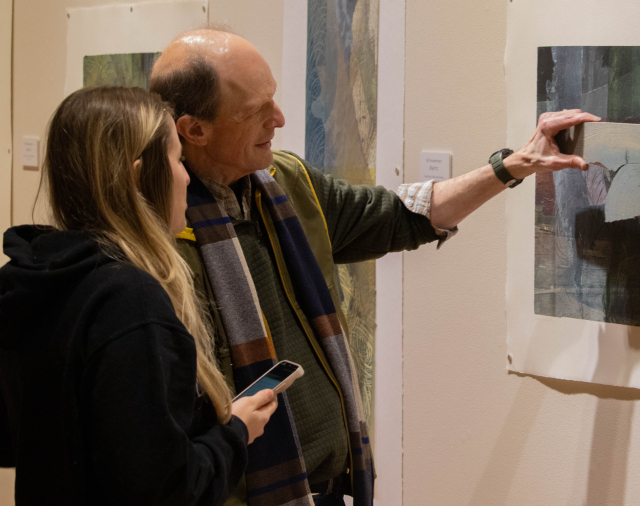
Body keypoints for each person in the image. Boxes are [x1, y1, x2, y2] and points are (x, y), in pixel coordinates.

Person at [149, 29, 598, 506]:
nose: (278, 118)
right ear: (193, 129)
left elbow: (397, 216)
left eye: (274, 100)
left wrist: (512, 165)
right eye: (256, 111)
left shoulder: (286, 183)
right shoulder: (152, 241)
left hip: (322, 489)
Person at [0, 86, 279, 505]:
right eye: (177, 159)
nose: (186, 177)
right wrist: (236, 433)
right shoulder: (129, 300)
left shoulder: (32, 279)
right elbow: (166, 490)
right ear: (136, 177)